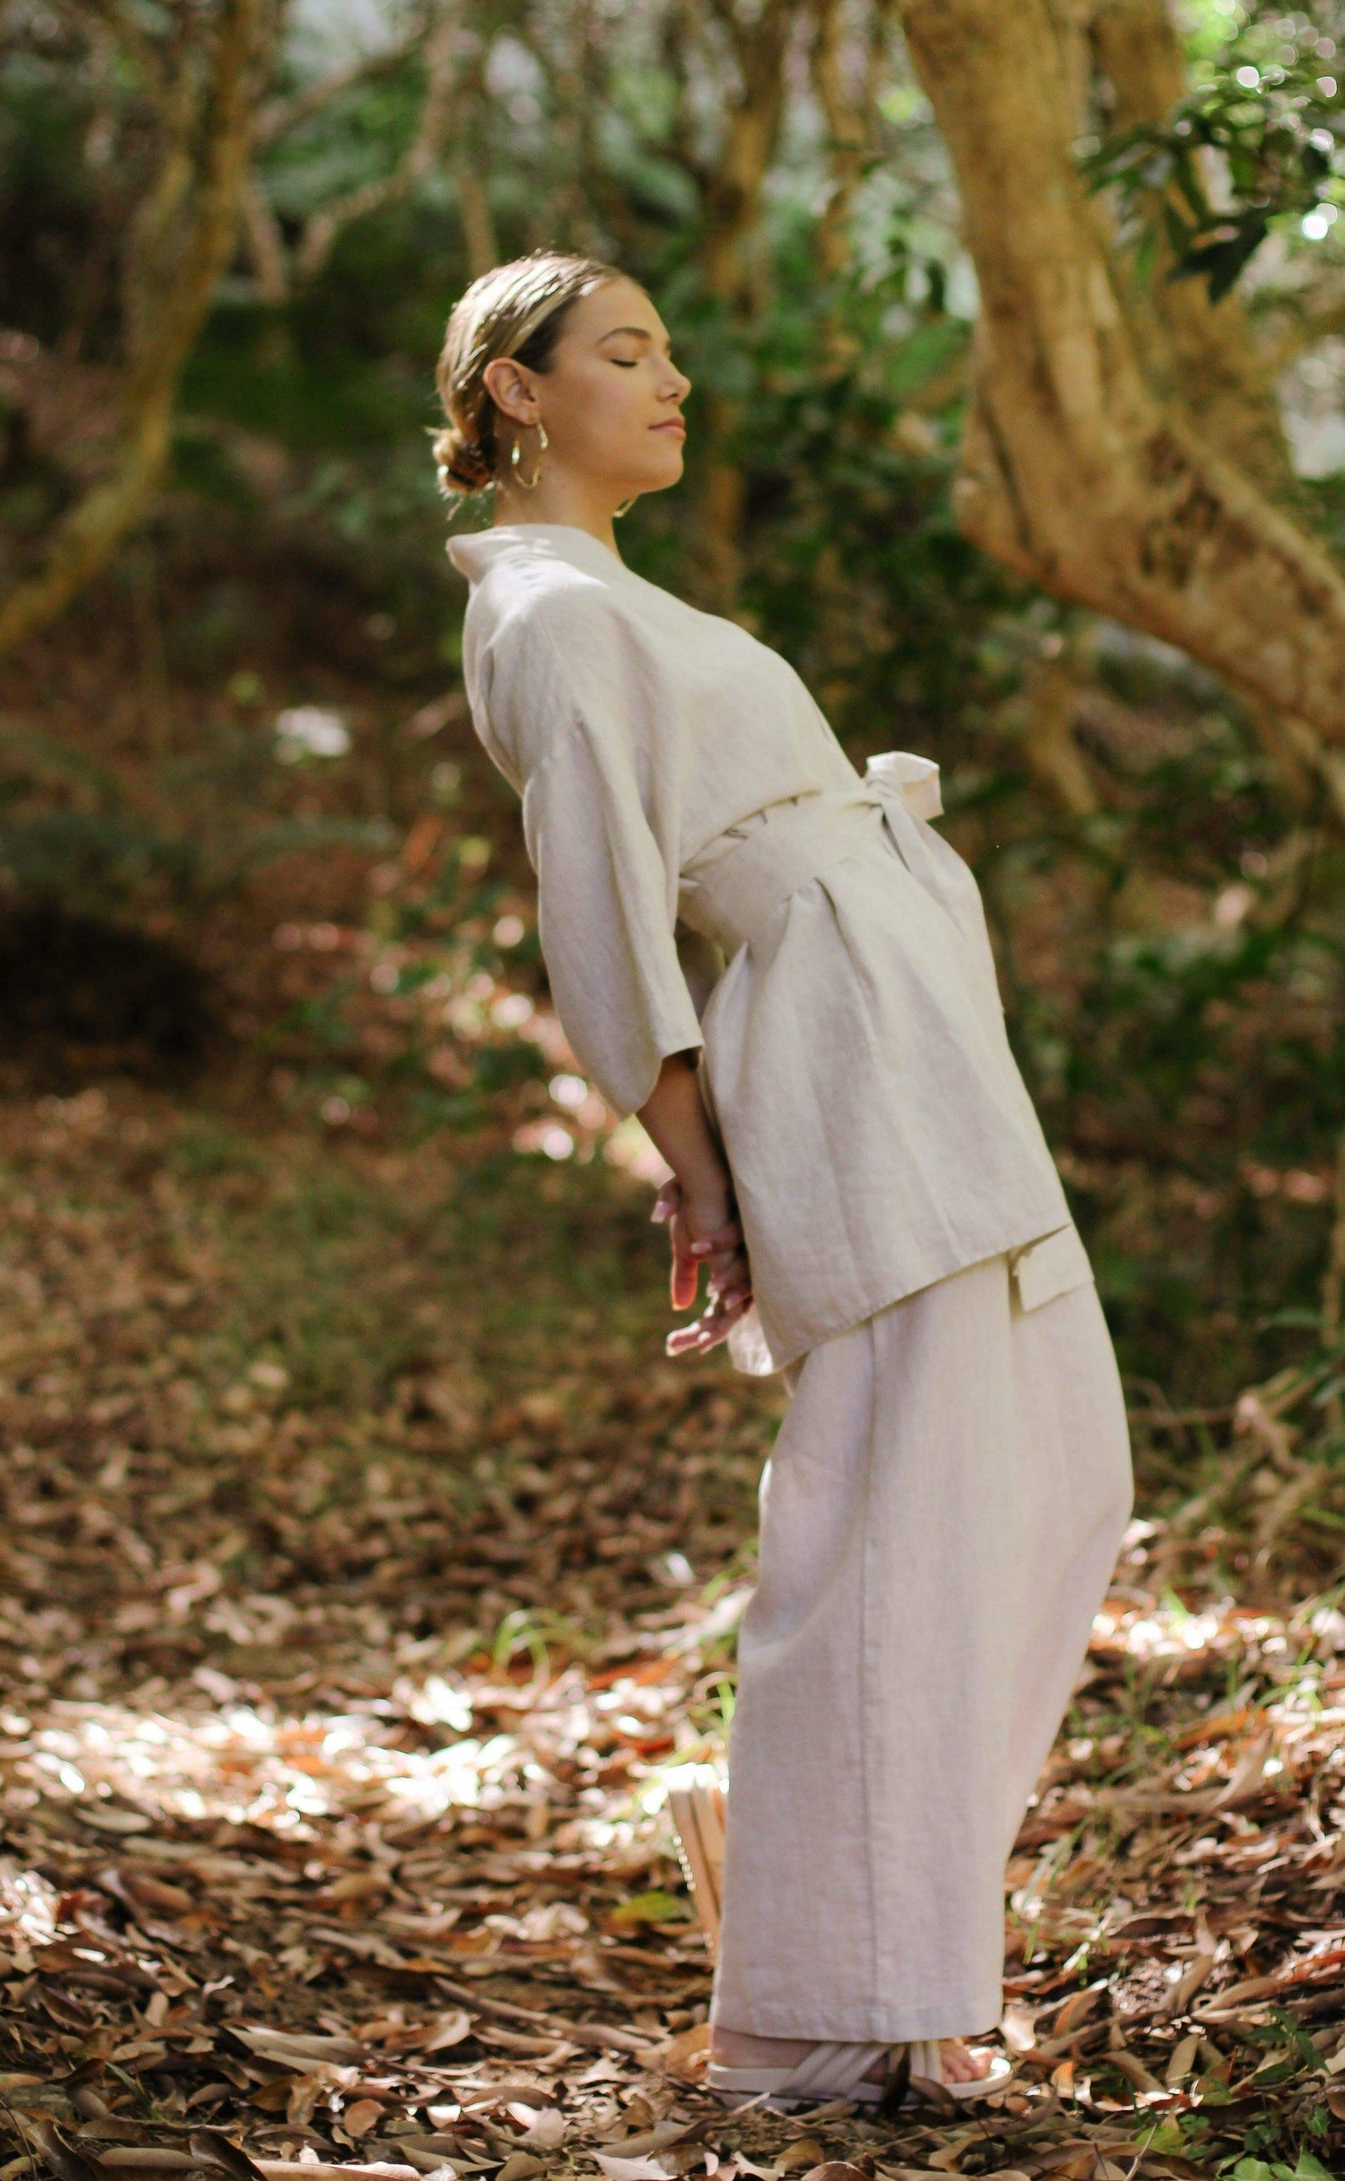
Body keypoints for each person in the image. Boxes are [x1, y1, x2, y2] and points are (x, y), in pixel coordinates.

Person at [435, 250, 1134, 2109]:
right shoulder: (548, 613)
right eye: (626, 351)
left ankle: (864, 1940)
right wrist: (697, 1167)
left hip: (905, 1025)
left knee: (1055, 1469)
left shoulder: (611, 595)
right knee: (891, 1509)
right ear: (516, 390)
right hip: (842, 1042)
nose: (673, 380)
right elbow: (599, 907)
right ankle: (819, 2013)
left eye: (669, 349)